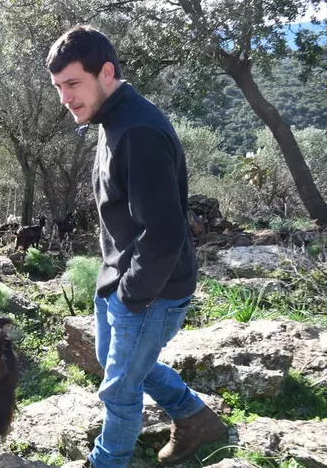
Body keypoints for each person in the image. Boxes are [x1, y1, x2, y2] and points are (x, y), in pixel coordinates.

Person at [46, 25, 227, 467]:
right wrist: (116, 284)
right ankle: (196, 418)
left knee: (120, 389)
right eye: (58, 87)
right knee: (121, 368)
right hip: (121, 280)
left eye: (72, 84)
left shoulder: (139, 131)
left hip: (151, 290)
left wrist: (131, 296)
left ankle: (107, 461)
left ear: (105, 72)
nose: (65, 98)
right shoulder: (112, 120)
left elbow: (164, 233)